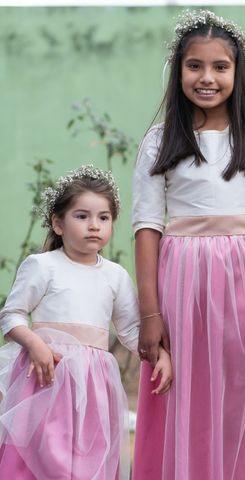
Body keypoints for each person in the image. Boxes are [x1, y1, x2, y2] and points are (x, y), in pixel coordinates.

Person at [132, 9, 245, 480]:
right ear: (178, 70)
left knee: (244, 391)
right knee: (184, 393)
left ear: (238, 72)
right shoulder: (159, 141)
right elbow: (146, 227)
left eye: (220, 67)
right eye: (195, 66)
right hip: (179, 280)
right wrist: (150, 312)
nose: (207, 77)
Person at [0, 165, 172, 479]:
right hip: (46, 379)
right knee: (38, 458)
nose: (94, 226)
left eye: (103, 218)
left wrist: (159, 355)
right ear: (58, 223)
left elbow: (132, 330)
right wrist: (35, 344)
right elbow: (11, 316)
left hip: (94, 387)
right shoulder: (42, 266)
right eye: (82, 216)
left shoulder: (115, 276)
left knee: (86, 460)